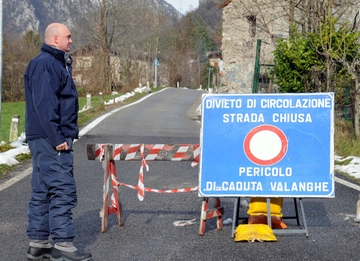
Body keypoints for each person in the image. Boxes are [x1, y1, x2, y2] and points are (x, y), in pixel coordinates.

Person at [24, 23, 92, 261]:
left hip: (43, 137)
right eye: (68, 37)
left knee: (43, 189)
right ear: (55, 39)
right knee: (62, 189)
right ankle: (63, 245)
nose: (71, 41)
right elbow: (45, 104)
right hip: (50, 138)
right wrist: (57, 138)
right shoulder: (46, 64)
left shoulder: (54, 62)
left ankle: (39, 243)